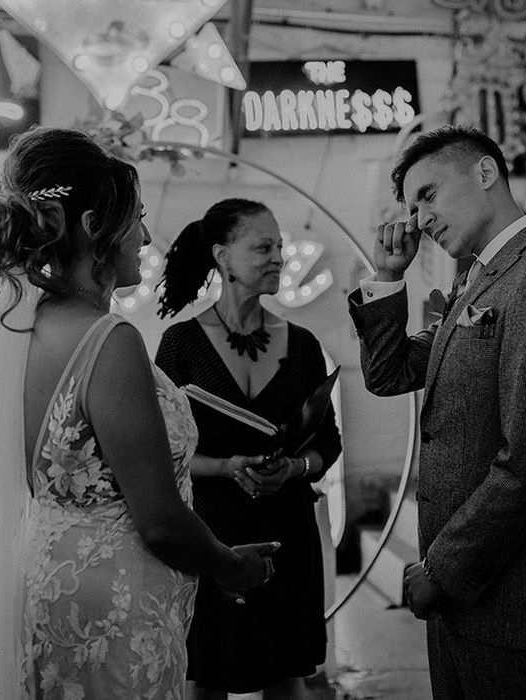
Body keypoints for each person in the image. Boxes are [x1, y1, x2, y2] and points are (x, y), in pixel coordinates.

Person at [0, 128, 279, 700]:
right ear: (96, 227)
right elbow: (161, 523)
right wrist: (229, 565)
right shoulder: (109, 339)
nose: (145, 237)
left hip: (51, 580)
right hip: (116, 601)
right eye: (137, 219)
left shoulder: (26, 327)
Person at [348, 124, 526, 699]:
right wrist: (388, 278)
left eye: (428, 195)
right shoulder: (479, 279)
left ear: (485, 173)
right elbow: (389, 374)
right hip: (471, 600)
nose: (419, 219)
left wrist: (443, 569)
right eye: (412, 204)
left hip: (514, 599)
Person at [155, 198, 342, 699]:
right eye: (264, 246)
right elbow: (161, 454)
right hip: (214, 536)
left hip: (289, 534)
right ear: (222, 255)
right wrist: (226, 466)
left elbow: (329, 440)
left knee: (288, 678)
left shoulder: (301, 344)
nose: (279, 257)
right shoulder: (179, 345)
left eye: (280, 246)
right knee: (207, 679)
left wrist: (298, 468)